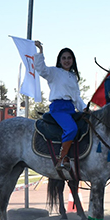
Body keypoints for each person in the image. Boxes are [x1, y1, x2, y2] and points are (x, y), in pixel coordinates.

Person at [34, 41, 86, 171]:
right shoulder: (54, 72)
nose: (66, 60)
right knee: (72, 129)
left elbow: (76, 97)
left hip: (70, 108)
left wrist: (85, 109)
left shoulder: (73, 77)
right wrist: (40, 51)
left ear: (73, 60)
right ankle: (61, 159)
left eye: (69, 58)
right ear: (60, 60)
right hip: (58, 108)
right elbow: (41, 69)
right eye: (64, 58)